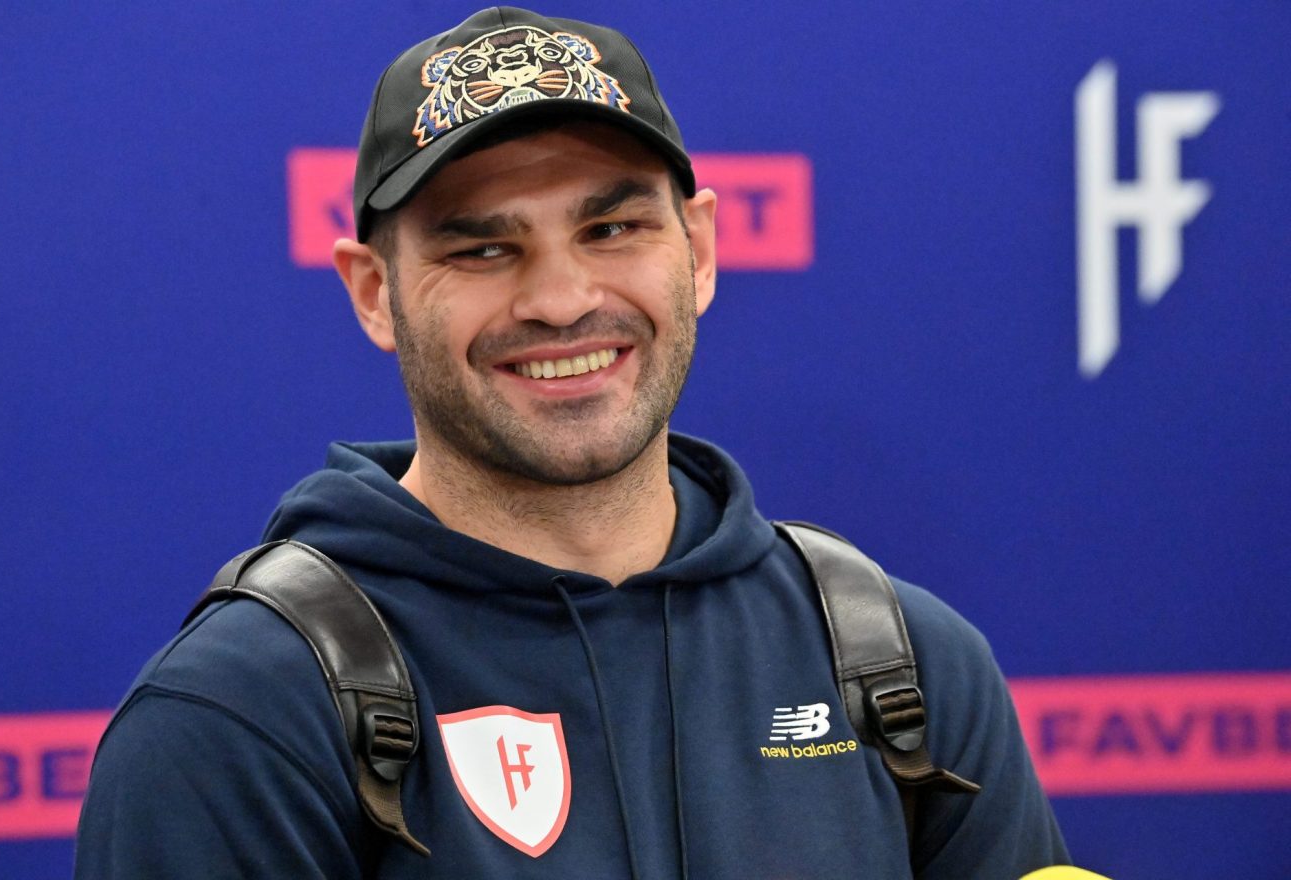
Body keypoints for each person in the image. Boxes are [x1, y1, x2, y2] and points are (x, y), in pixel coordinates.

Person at [76, 7, 1069, 878]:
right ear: (375, 293)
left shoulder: (903, 662)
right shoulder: (242, 710)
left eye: (612, 230)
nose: (560, 300)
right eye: (483, 248)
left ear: (699, 250)